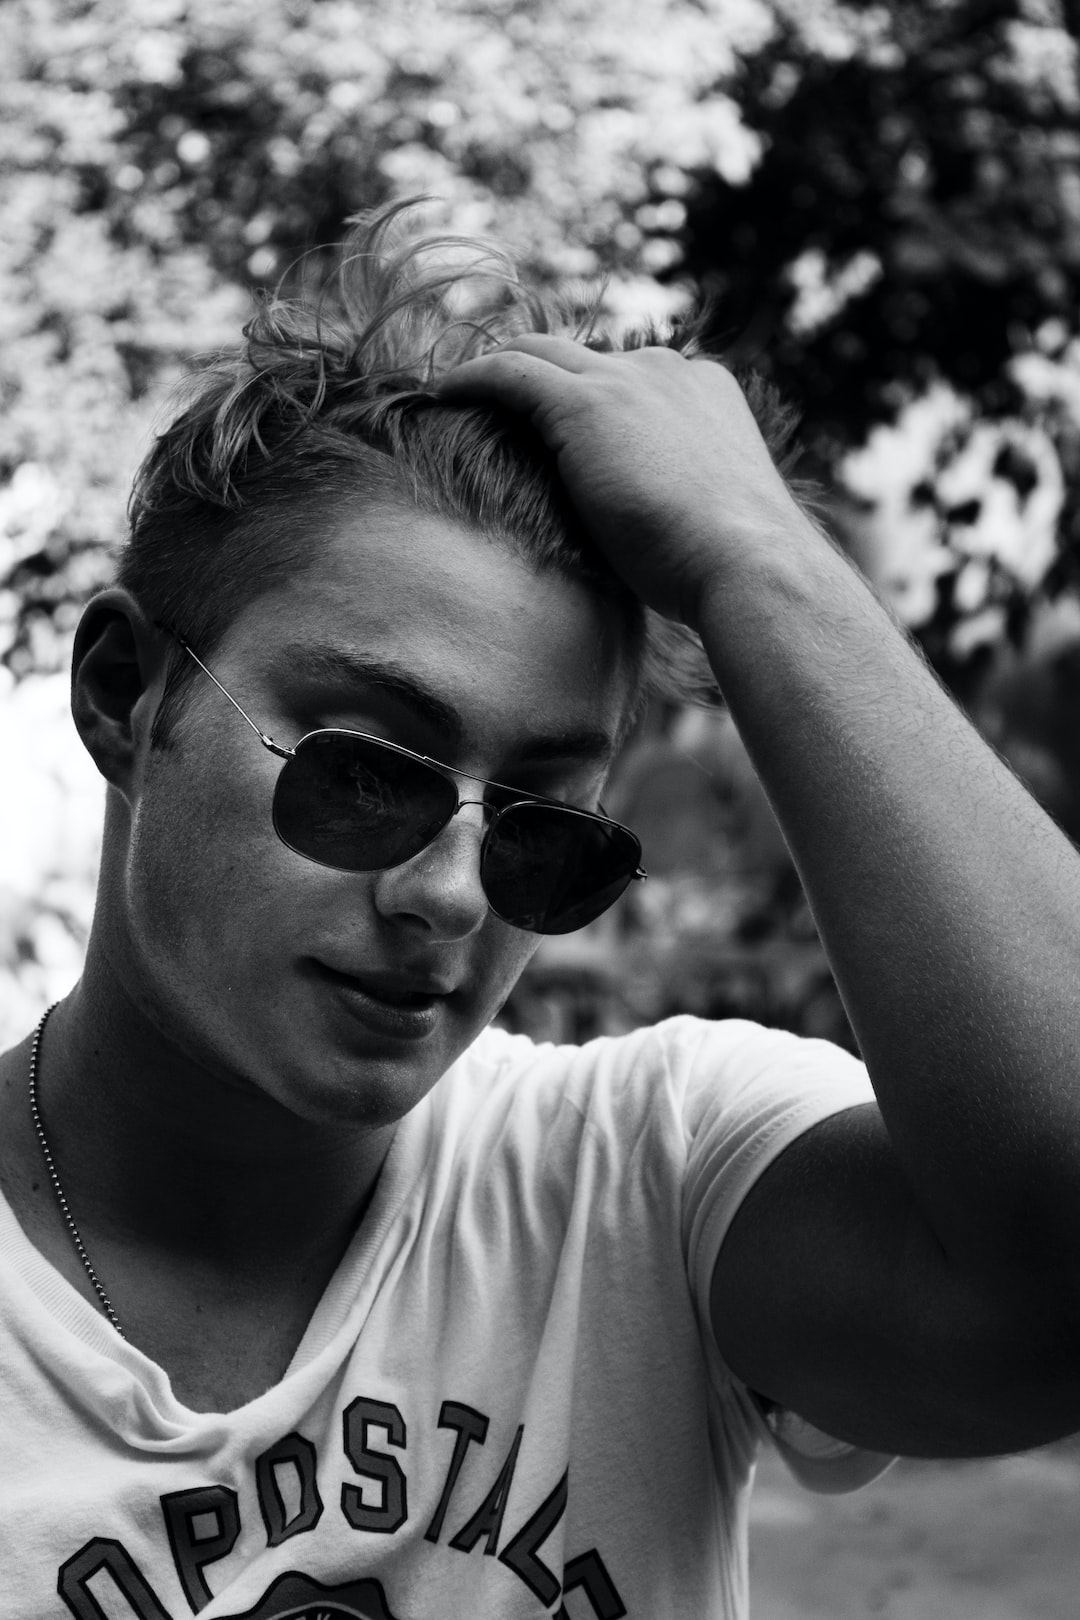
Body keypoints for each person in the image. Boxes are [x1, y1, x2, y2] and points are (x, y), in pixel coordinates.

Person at [2, 200, 1079, 1620]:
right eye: (365, 773)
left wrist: (757, 558)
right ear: (126, 701)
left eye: (540, 829)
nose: (450, 893)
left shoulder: (647, 1183)